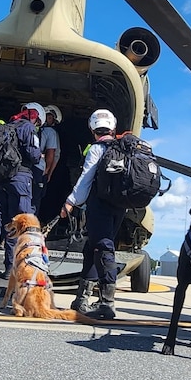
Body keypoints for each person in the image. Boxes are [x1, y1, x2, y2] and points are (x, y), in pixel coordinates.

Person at [60, 108, 123, 319]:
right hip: (119, 207)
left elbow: (85, 179)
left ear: (92, 128)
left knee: (103, 249)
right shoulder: (122, 148)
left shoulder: (97, 149)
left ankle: (107, 303)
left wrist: (70, 202)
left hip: (100, 206)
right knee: (92, 248)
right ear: (113, 127)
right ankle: (81, 299)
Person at [0, 103, 43, 278]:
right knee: (17, 223)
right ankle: (10, 268)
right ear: (36, 118)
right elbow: (34, 156)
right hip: (20, 180)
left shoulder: (6, 127)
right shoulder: (28, 128)